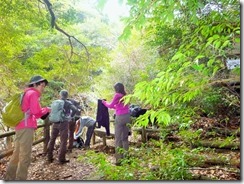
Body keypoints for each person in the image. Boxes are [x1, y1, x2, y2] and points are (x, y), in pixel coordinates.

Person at [5, 75, 50, 180]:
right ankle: (21, 179)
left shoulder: (25, 93)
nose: (43, 88)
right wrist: (47, 109)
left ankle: (9, 178)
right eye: (42, 85)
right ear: (34, 84)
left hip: (19, 126)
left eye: (44, 86)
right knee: (25, 156)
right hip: (26, 127)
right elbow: (37, 112)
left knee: (16, 154)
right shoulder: (33, 93)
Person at [102, 82, 131, 166]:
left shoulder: (117, 95)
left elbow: (110, 105)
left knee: (118, 139)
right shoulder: (125, 95)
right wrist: (115, 107)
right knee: (125, 139)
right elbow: (121, 106)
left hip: (120, 117)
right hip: (127, 116)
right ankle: (127, 158)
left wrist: (104, 102)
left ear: (116, 88)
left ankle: (119, 160)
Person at [47, 89, 77, 164]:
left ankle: (49, 156)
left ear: (60, 95)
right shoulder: (67, 103)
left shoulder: (55, 102)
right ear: (67, 95)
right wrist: (70, 117)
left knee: (52, 139)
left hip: (55, 123)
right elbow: (75, 109)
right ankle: (61, 158)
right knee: (63, 140)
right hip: (63, 123)